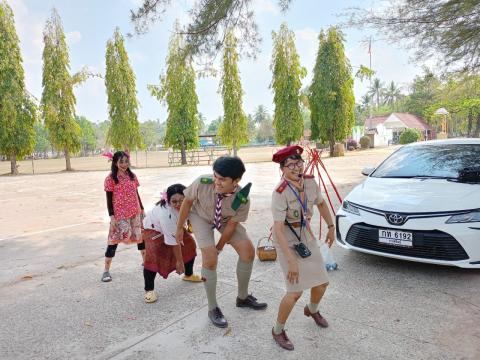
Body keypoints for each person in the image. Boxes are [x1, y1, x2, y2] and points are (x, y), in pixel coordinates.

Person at [175, 156, 267, 328]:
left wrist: (219, 247)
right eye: (215, 176)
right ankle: (213, 308)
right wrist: (179, 228)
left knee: (248, 251)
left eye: (222, 179)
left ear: (236, 180)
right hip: (200, 216)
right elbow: (187, 202)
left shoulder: (241, 198)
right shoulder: (203, 182)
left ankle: (243, 297)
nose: (216, 182)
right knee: (210, 259)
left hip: (225, 220)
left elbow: (231, 225)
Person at [270, 145, 335, 351]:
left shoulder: (309, 182)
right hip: (286, 239)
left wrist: (331, 227)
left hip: (305, 234)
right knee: (295, 291)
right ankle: (278, 330)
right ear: (283, 169)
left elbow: (322, 204)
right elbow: (278, 230)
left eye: (299, 163)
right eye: (291, 165)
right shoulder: (279, 192)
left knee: (322, 283)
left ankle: (312, 309)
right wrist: (291, 261)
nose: (296, 168)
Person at [142, 184, 201, 303]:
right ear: (168, 200)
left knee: (190, 244)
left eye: (181, 200)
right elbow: (174, 242)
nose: (178, 204)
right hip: (153, 230)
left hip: (174, 227)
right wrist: (179, 262)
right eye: (174, 202)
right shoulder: (166, 214)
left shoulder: (189, 202)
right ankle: (149, 290)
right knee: (153, 257)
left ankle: (188, 275)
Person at [102, 151, 145, 282]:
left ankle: (146, 262)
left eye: (126, 161)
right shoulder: (110, 179)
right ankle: (106, 270)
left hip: (135, 213)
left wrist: (142, 209)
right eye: (121, 162)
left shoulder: (132, 176)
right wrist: (112, 217)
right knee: (113, 241)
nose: (124, 164)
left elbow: (136, 194)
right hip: (120, 215)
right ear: (115, 162)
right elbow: (109, 200)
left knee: (141, 238)